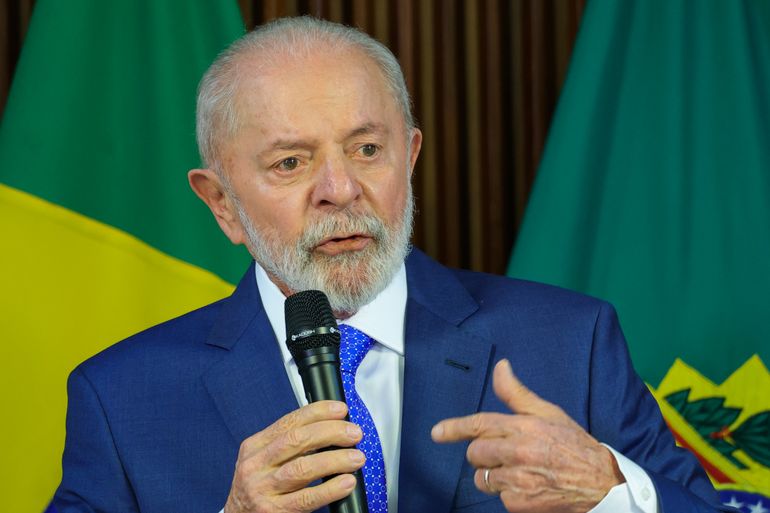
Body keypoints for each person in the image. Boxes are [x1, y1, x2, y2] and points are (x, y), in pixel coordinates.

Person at [52, 16, 733, 513]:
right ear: (222, 203)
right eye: (290, 162)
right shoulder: (121, 399)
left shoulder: (570, 344)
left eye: (367, 150)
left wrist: (609, 490)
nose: (340, 189)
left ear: (409, 158)